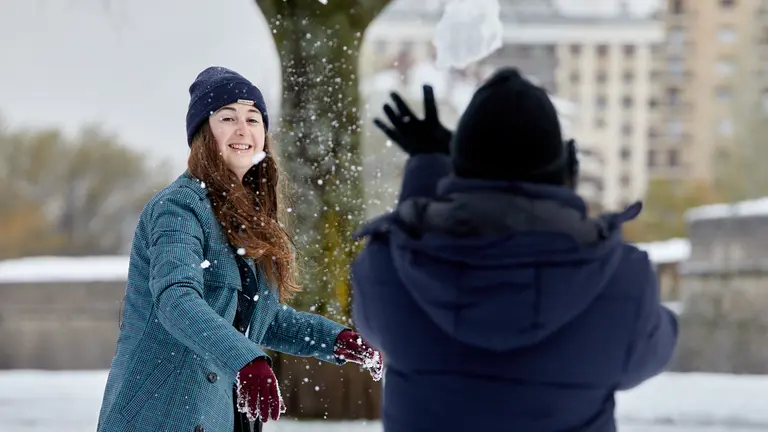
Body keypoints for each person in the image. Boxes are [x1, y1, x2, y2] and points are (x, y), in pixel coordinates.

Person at [350, 67, 678, 431]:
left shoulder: (387, 263)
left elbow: (382, 318)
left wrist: (429, 166)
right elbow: (652, 352)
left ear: (459, 165)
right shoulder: (622, 277)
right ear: (566, 166)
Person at [97, 66, 382, 432]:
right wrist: (248, 361)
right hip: (160, 414)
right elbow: (176, 299)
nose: (243, 129)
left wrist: (340, 341)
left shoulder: (247, 216)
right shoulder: (178, 208)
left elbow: (262, 319)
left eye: (253, 119)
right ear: (203, 132)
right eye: (227, 118)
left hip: (221, 416)